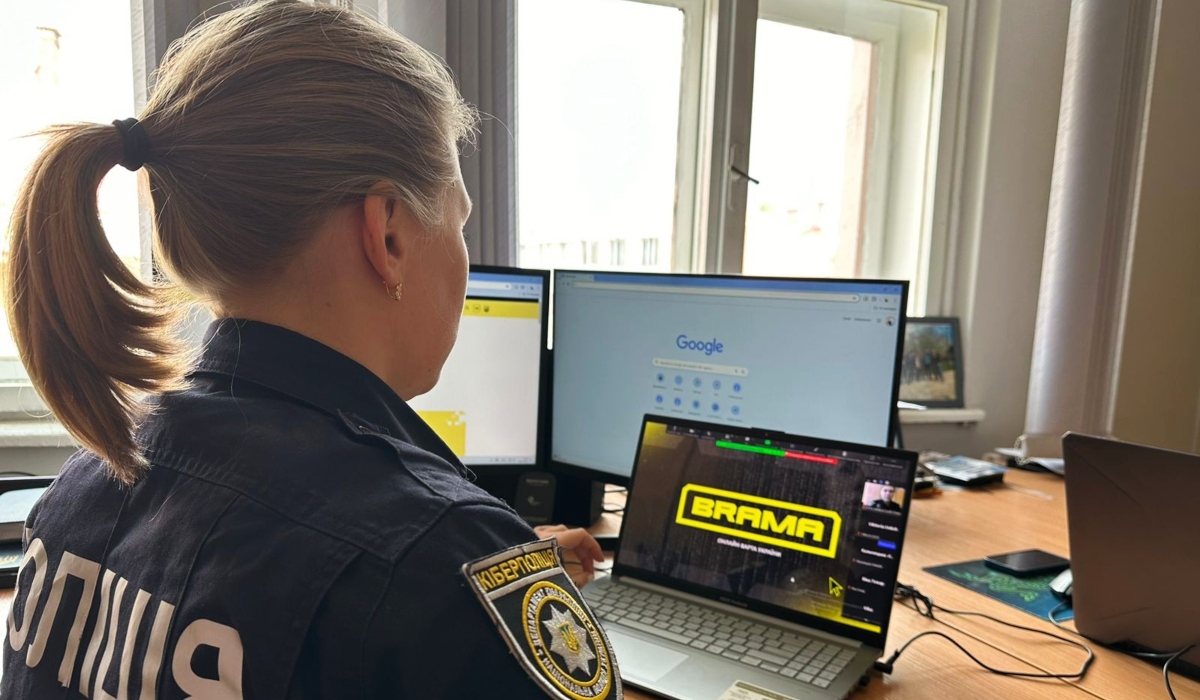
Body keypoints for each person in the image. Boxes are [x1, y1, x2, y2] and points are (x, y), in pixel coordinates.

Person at [1, 2, 618, 698]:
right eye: (460, 222)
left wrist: (482, 567)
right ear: (387, 234)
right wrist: (477, 572)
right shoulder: (438, 569)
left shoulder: (79, 493)